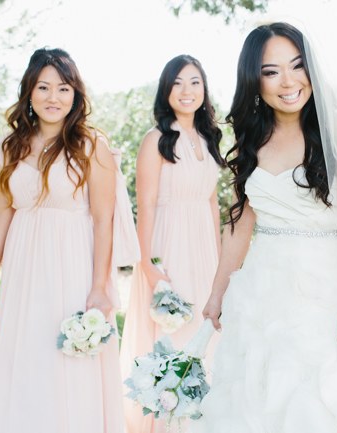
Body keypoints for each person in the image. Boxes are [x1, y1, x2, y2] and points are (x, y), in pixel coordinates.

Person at [193, 22, 337, 432]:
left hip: (323, 292)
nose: (289, 81)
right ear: (255, 80)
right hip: (261, 291)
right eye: (271, 71)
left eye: (297, 66)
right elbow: (239, 225)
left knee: (318, 401)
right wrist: (217, 293)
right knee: (254, 398)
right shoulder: (252, 137)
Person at [0, 47, 138, 433]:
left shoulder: (92, 146)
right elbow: (1, 212)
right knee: (25, 354)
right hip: (25, 268)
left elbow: (103, 220)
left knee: (68, 360)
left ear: (76, 94)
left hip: (73, 265)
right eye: (43, 87)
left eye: (63, 88)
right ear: (29, 92)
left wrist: (98, 286)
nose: (53, 98)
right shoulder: (8, 147)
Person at [119, 54, 224, 433]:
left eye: (194, 82)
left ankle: (200, 416)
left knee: (204, 330)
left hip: (203, 249)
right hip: (169, 245)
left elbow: (212, 203)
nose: (187, 90)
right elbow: (144, 204)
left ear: (204, 90)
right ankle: (165, 420)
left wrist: (219, 263)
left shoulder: (209, 138)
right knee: (171, 332)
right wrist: (146, 263)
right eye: (178, 82)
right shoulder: (156, 140)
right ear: (166, 89)